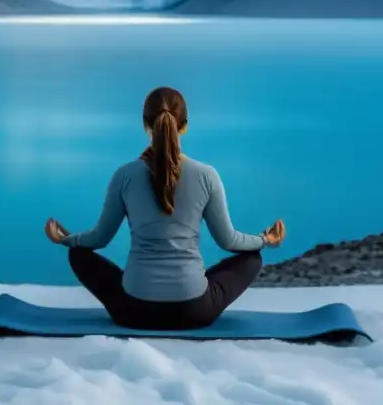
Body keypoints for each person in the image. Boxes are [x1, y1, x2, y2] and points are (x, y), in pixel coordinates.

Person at [44, 85, 285, 331]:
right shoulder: (207, 176)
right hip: (194, 311)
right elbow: (229, 240)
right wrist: (264, 239)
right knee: (252, 258)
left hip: (134, 311)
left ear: (145, 124)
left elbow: (99, 238)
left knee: (78, 253)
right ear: (185, 125)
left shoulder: (124, 175)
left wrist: (67, 239)